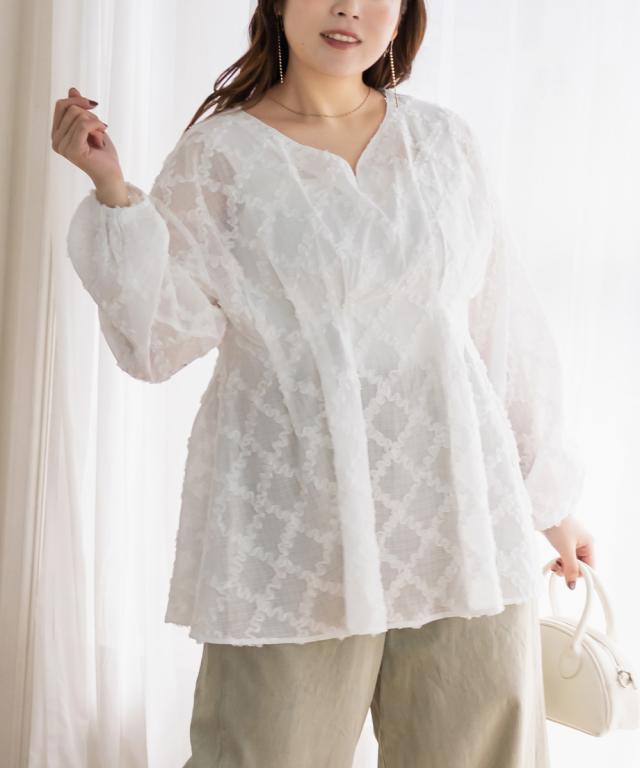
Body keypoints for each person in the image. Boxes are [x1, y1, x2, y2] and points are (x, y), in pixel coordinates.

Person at [52, 1, 596, 765]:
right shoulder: (221, 156)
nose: (347, 7)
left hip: (460, 516)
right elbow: (158, 341)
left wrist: (552, 503)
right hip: (292, 528)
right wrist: (111, 187)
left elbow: (500, 329)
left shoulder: (442, 142)